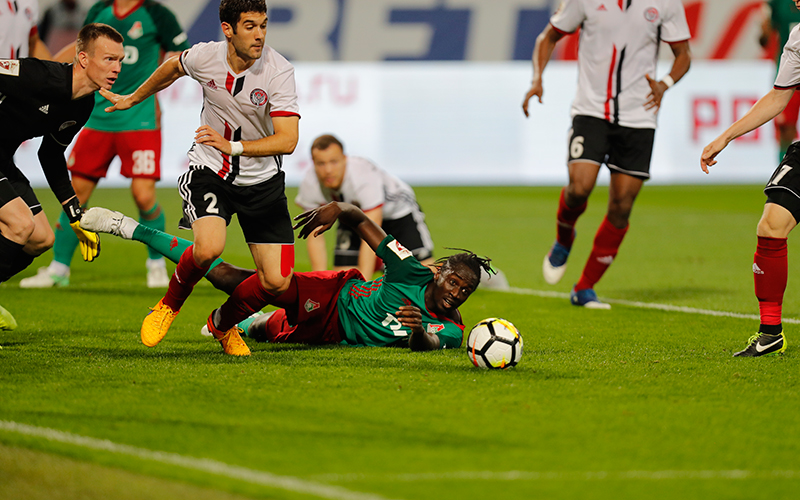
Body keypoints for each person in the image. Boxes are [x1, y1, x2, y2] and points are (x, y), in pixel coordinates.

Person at [100, 0, 300, 356]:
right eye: (250, 26)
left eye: (263, 25)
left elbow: (288, 140)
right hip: (210, 171)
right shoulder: (205, 56)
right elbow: (173, 66)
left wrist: (233, 146)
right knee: (208, 248)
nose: (259, 35)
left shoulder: (278, 71)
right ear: (228, 30)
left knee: (276, 281)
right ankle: (168, 305)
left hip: (262, 181)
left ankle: (222, 324)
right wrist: (134, 98)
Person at [81, 202, 491, 350]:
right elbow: (360, 220)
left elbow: (427, 344)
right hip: (335, 297)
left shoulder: (453, 329)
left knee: (265, 333)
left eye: (466, 290)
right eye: (454, 280)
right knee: (228, 276)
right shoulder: (408, 268)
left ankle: (249, 322)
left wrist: (418, 331)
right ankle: (129, 227)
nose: (457, 292)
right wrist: (338, 209)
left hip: (331, 334)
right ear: (440, 271)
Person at [521, 0, 691, 309]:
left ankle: (585, 287)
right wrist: (537, 79)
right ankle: (564, 238)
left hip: (639, 117)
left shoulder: (665, 3)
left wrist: (665, 84)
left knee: (622, 205)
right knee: (579, 188)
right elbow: (548, 37)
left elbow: (684, 54)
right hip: (591, 111)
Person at [21, 0, 190, 290]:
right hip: (97, 116)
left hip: (139, 118)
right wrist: (47, 71)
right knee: (77, 193)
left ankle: (156, 264)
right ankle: (59, 268)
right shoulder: (100, 10)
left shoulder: (157, 14)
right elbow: (80, 50)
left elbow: (179, 60)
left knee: (143, 196)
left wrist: (150, 91)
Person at [699, 2, 800, 357]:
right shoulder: (797, 38)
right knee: (771, 225)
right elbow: (777, 97)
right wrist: (725, 137)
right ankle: (770, 333)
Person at [0, 24, 123, 288]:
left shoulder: (83, 105)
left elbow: (51, 154)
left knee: (41, 239)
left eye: (120, 60)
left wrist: (74, 214)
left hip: (3, 159)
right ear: (83, 59)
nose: (117, 68)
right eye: (109, 59)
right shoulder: (40, 75)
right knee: (20, 224)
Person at [297, 134, 435, 280]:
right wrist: (319, 280)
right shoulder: (310, 183)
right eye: (321, 164)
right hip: (352, 219)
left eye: (334, 161)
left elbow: (371, 226)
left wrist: (364, 284)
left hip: (398, 216)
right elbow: (315, 235)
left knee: (424, 279)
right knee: (343, 281)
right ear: (313, 163)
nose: (328, 170)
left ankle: (384, 264)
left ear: (345, 159)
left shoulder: (362, 176)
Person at [759, 0, 800, 162]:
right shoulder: (777, 4)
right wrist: (765, 24)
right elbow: (764, 40)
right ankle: (784, 167)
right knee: (786, 126)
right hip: (789, 71)